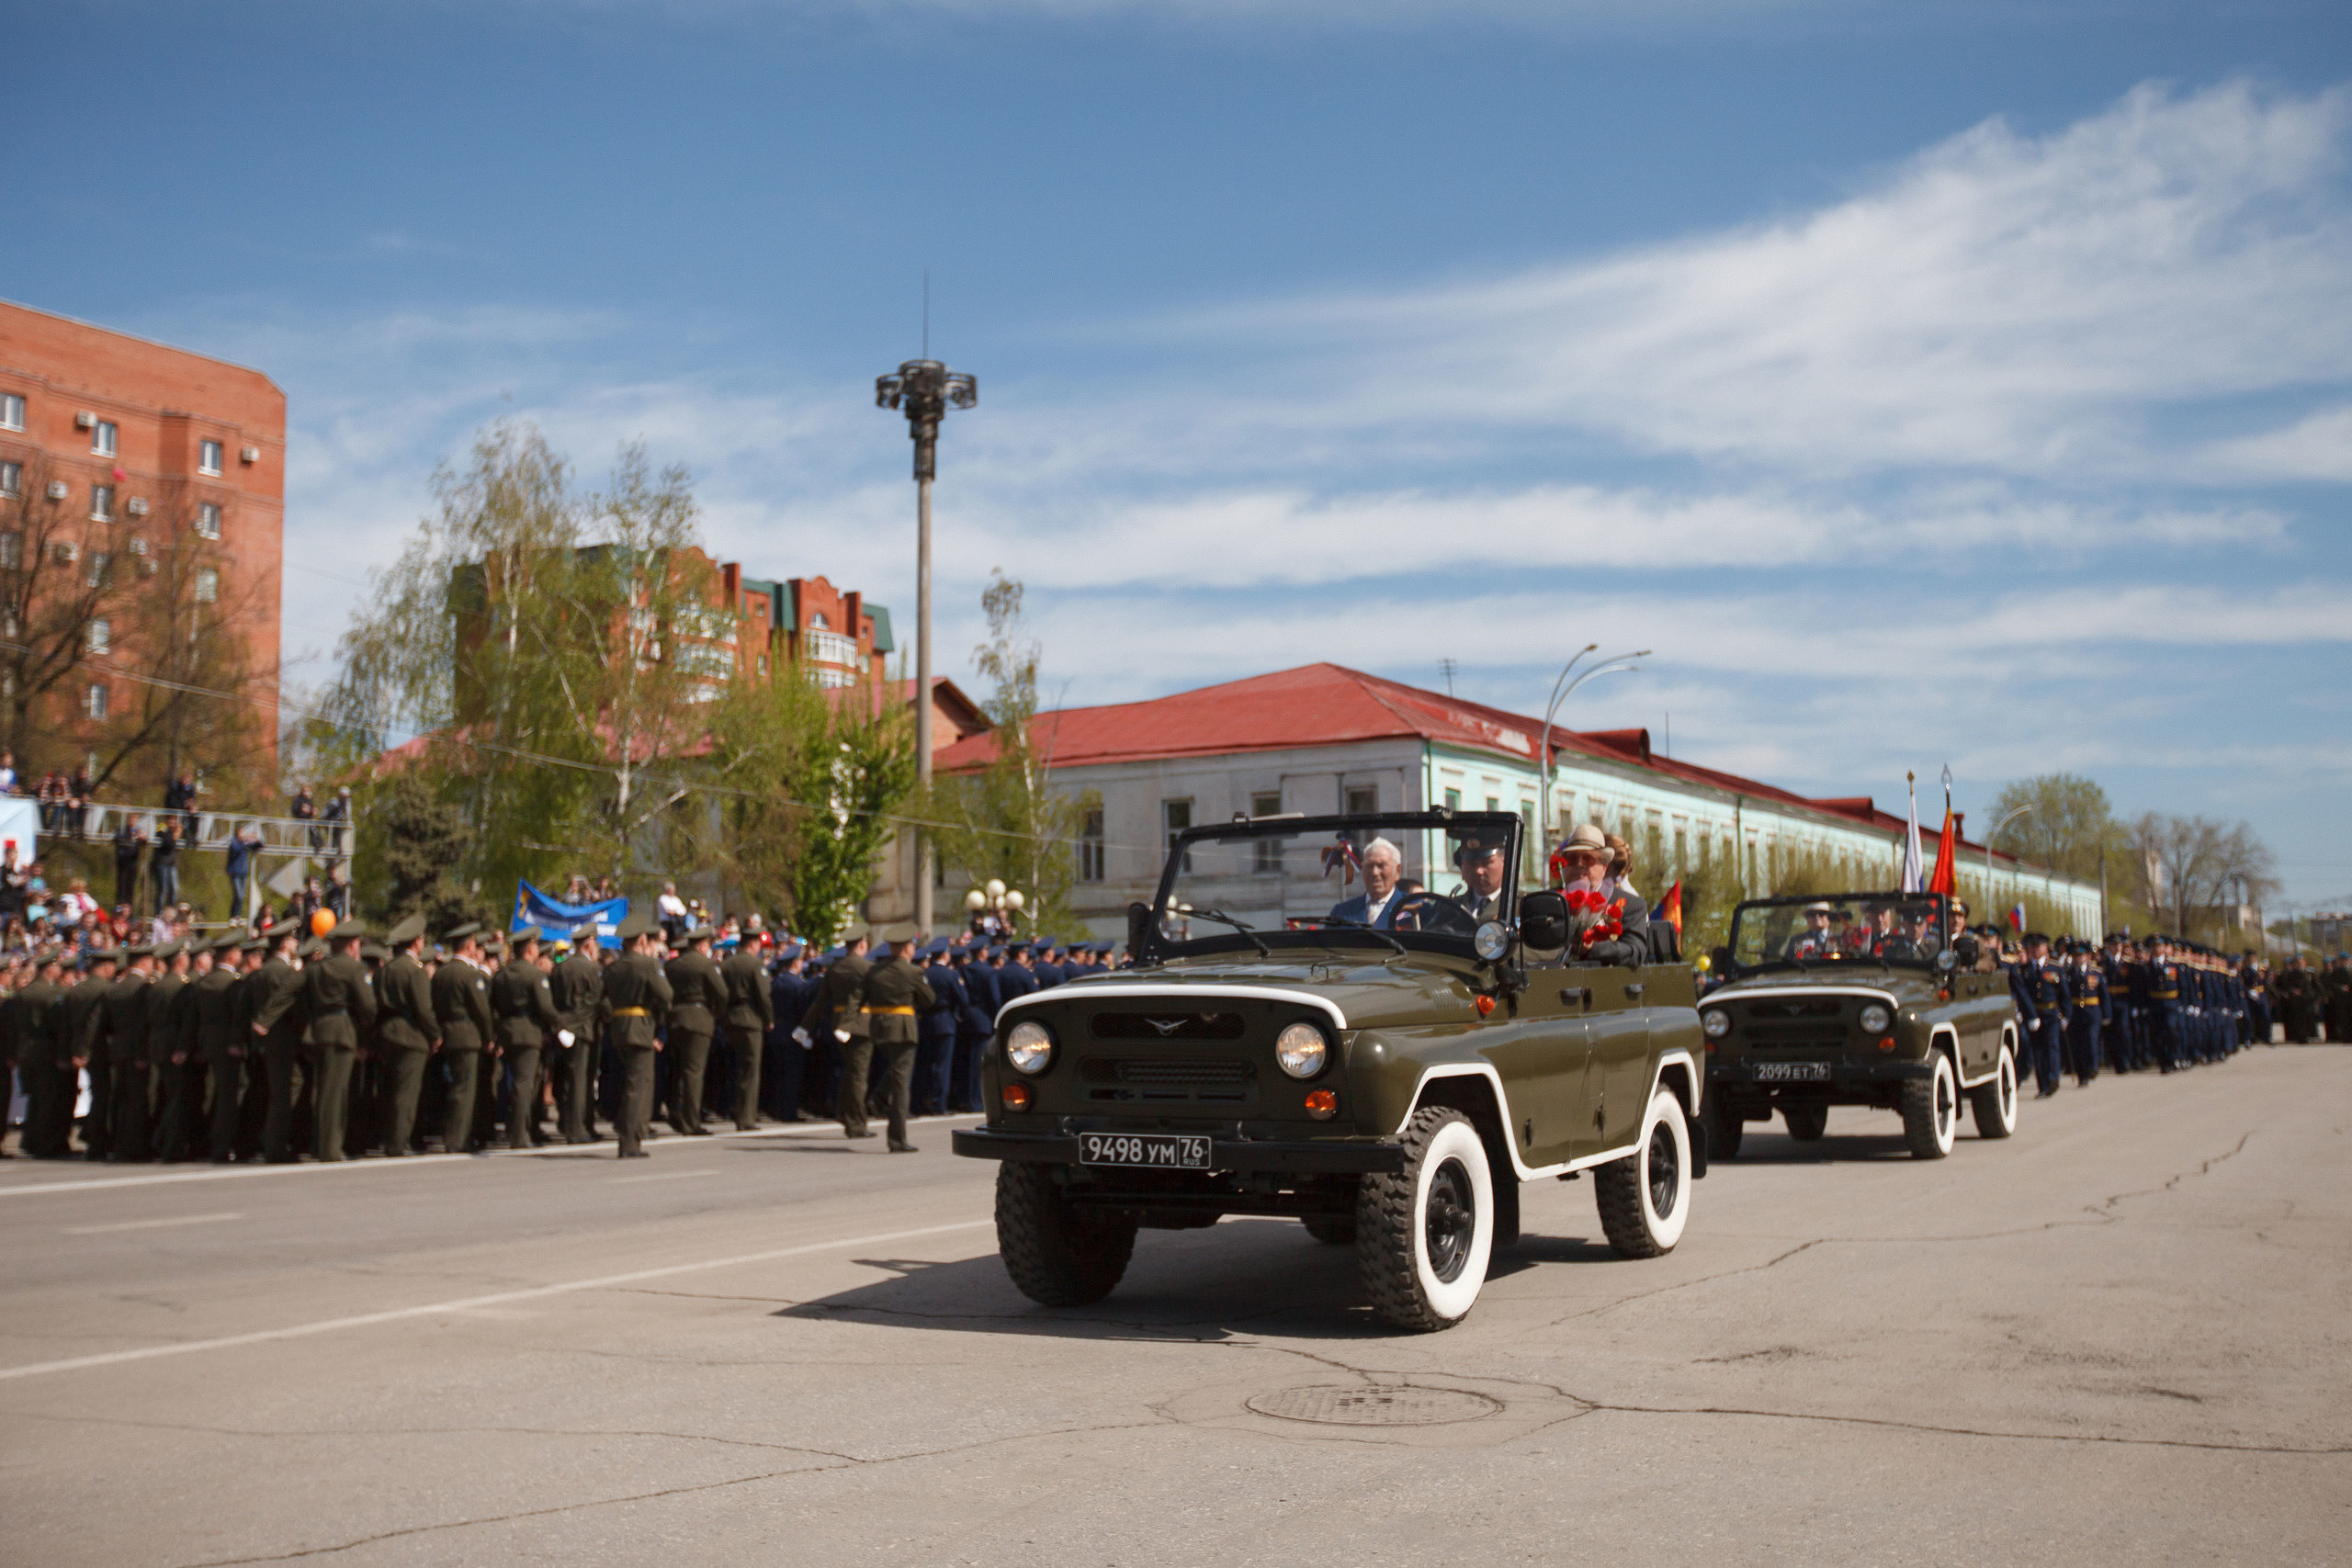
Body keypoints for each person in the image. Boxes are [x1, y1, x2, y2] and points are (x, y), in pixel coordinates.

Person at [302, 921, 377, 1162]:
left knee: (322, 1090)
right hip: (342, 1032)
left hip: (318, 1030)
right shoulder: (354, 968)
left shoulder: (316, 968)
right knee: (336, 1093)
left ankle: (318, 1144)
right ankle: (330, 1149)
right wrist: (363, 1033)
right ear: (353, 945)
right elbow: (368, 1007)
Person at [601, 911, 673, 1158]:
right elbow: (666, 995)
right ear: (642, 939)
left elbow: (601, 999)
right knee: (636, 1086)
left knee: (626, 1083)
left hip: (619, 1027)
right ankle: (629, 1141)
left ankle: (629, 1130)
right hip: (640, 1027)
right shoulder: (648, 965)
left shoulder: (613, 968)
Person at [859, 926, 935, 1153]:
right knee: (902, 1084)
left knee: (896, 1070)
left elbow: (864, 997)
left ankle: (880, 1096)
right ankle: (897, 1139)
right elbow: (929, 1000)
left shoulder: (875, 971)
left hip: (880, 1028)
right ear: (906, 948)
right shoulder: (912, 972)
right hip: (903, 1030)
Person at [490, 926, 560, 1149]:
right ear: (530, 950)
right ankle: (519, 1135)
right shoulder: (535, 974)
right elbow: (546, 1008)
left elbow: (492, 1006)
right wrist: (561, 1024)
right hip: (528, 1032)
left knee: (512, 1083)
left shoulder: (502, 974)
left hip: (507, 1030)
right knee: (523, 1085)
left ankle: (514, 1128)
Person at [243, 922, 307, 1161]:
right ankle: (275, 1145)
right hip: (283, 1039)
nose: (296, 943)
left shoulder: (261, 972)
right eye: (292, 939)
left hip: (267, 1041)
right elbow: (295, 1009)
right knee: (286, 1090)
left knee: (275, 1090)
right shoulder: (286, 973)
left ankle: (272, 1142)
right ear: (283, 944)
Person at [430, 924, 495, 1154]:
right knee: (464, 1089)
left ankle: (452, 1133)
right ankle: (457, 1138)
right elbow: (481, 1010)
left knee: (453, 1087)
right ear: (469, 946)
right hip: (467, 1035)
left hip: (447, 1032)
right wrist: (489, 1037)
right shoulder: (469, 974)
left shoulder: (442, 973)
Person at [804, 931, 874, 1139]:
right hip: (861, 1024)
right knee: (858, 1075)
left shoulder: (834, 968)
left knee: (849, 1070)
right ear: (862, 944)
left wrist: (805, 1026)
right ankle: (856, 1124)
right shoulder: (867, 968)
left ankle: (843, 1112)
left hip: (838, 1023)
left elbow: (821, 1001)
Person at [662, 925, 725, 1137]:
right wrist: (715, 1012)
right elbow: (722, 993)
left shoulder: (672, 965)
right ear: (702, 945)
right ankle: (691, 1121)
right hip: (699, 1019)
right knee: (694, 1073)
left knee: (678, 1070)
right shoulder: (706, 964)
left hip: (675, 1018)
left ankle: (675, 1112)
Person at [548, 924, 605, 1144]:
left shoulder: (561, 967)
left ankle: (572, 1123)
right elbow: (596, 1001)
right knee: (581, 1080)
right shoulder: (591, 969)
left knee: (569, 1078)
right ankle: (578, 1128)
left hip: (563, 1028)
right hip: (584, 1029)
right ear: (589, 944)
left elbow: (553, 1000)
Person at [718, 921, 774, 1131]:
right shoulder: (755, 965)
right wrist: (768, 1018)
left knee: (733, 1068)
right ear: (753, 944)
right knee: (750, 1070)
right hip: (750, 1019)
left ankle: (731, 1108)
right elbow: (763, 995)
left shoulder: (726, 965)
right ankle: (746, 1117)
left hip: (729, 1018)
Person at [1328, 837, 1406, 929]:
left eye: (1381, 866)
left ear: (1397, 871)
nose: (1375, 873)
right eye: (1369, 866)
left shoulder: (1413, 909)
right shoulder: (1341, 912)